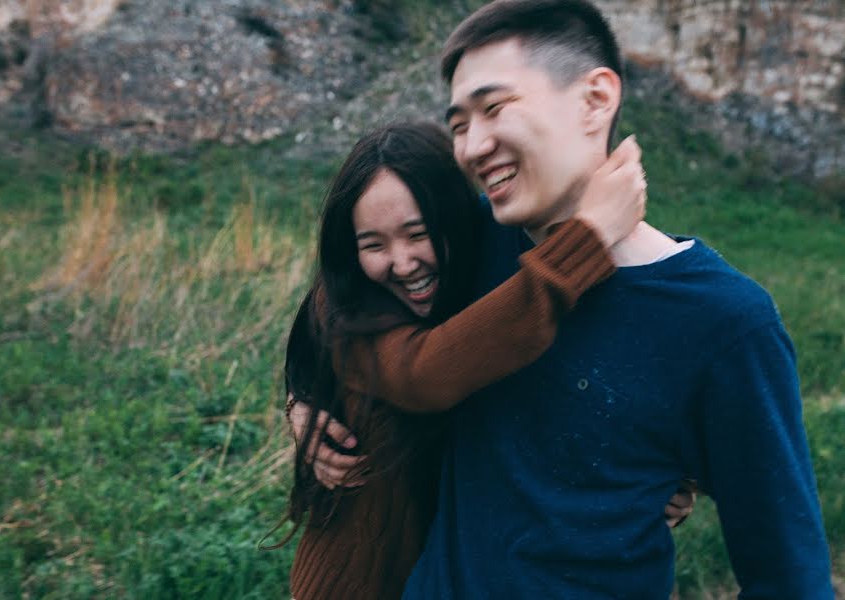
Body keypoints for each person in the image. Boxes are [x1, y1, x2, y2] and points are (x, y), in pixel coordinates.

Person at [397, 1, 833, 598]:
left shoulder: (725, 321)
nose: (473, 147)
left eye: (494, 108)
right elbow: (350, 313)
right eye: (458, 125)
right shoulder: (470, 247)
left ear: (596, 99)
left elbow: (787, 573)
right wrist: (308, 396)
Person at [279, 121, 692, 599]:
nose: (402, 262)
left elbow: (578, 386)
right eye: (373, 244)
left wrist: (660, 477)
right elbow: (425, 372)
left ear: (455, 219)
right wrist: (590, 236)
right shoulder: (351, 313)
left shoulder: (498, 298)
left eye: (418, 233)